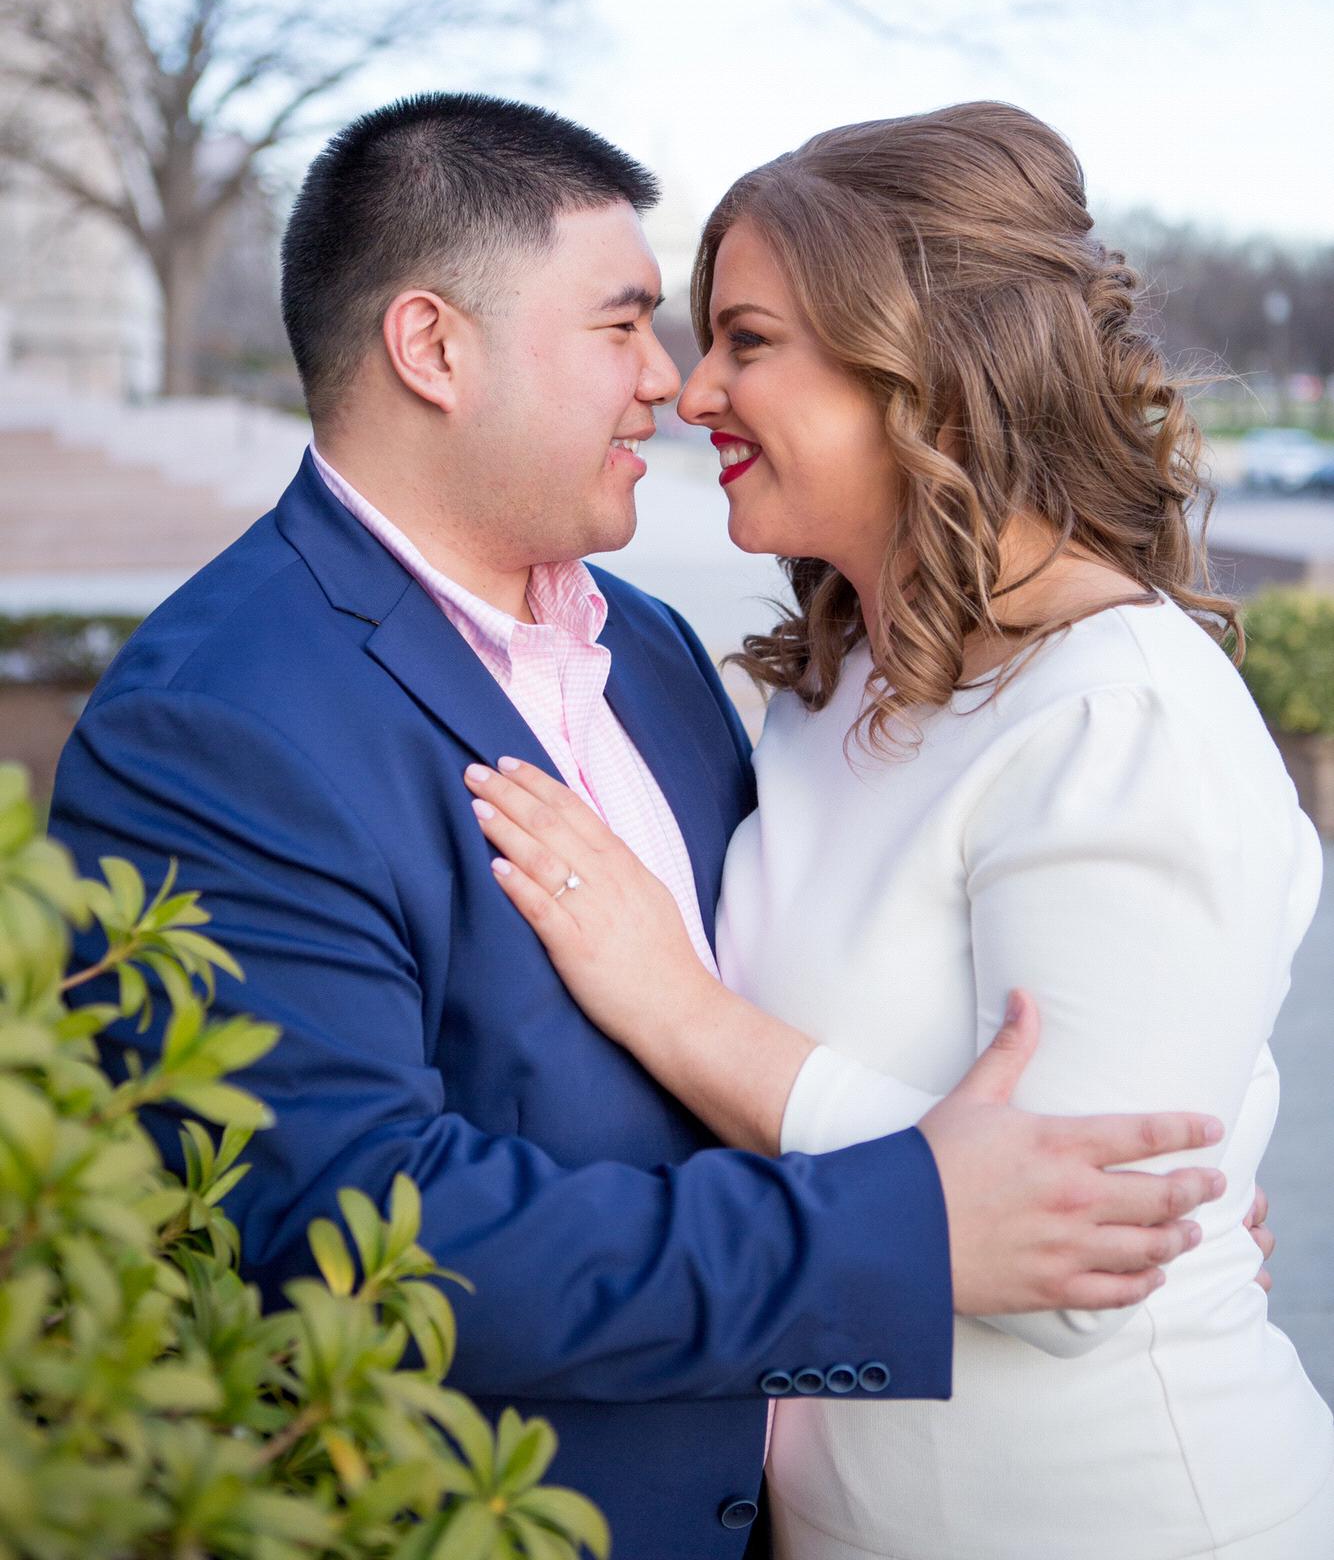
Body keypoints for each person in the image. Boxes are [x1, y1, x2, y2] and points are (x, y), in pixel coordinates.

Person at [51, 94, 1230, 1560]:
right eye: (624, 326)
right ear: (433, 348)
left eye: (715, 338)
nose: (669, 387)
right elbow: (353, 1226)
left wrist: (1150, 1202)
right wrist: (922, 1226)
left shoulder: (657, 651)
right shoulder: (219, 720)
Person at [464, 102, 1333, 1558]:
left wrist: (675, 1009)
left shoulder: (1120, 722)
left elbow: (1069, 1264)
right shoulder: (845, 676)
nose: (694, 394)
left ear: (918, 370)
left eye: (747, 340)